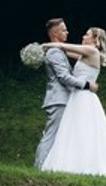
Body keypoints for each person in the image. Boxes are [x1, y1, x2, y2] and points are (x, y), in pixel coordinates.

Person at [37, 26, 106, 179]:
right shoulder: (84, 54)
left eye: (87, 35)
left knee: (85, 130)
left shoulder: (92, 52)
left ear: (95, 39)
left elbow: (63, 46)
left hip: (84, 97)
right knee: (73, 131)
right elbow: (64, 51)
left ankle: (86, 165)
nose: (83, 36)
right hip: (76, 96)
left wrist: (45, 45)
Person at [34, 17, 97, 169]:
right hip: (58, 99)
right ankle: (40, 167)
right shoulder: (54, 52)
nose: (67, 32)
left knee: (59, 136)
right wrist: (86, 84)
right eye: (64, 30)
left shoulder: (58, 50)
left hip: (63, 99)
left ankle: (52, 167)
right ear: (55, 33)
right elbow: (64, 77)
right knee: (51, 136)